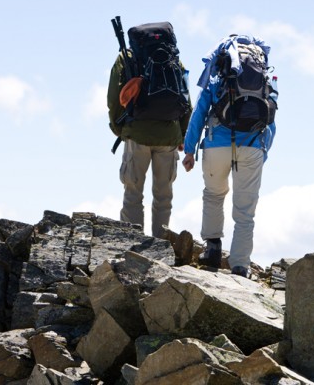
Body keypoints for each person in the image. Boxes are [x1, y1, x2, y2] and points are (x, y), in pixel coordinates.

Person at [182, 34, 277, 278]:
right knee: (245, 212)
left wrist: (190, 149)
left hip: (216, 144)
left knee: (213, 195)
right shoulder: (266, 81)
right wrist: (262, 152)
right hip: (253, 146)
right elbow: (271, 119)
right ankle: (239, 266)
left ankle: (212, 250)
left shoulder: (217, 78)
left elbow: (199, 113)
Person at [107, 23, 192, 239]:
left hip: (137, 133)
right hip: (169, 135)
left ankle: (132, 244)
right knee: (163, 196)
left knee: (133, 193)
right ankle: (160, 244)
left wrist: (119, 128)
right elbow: (185, 100)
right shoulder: (173, 58)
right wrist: (182, 135)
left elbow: (114, 97)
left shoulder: (128, 57)